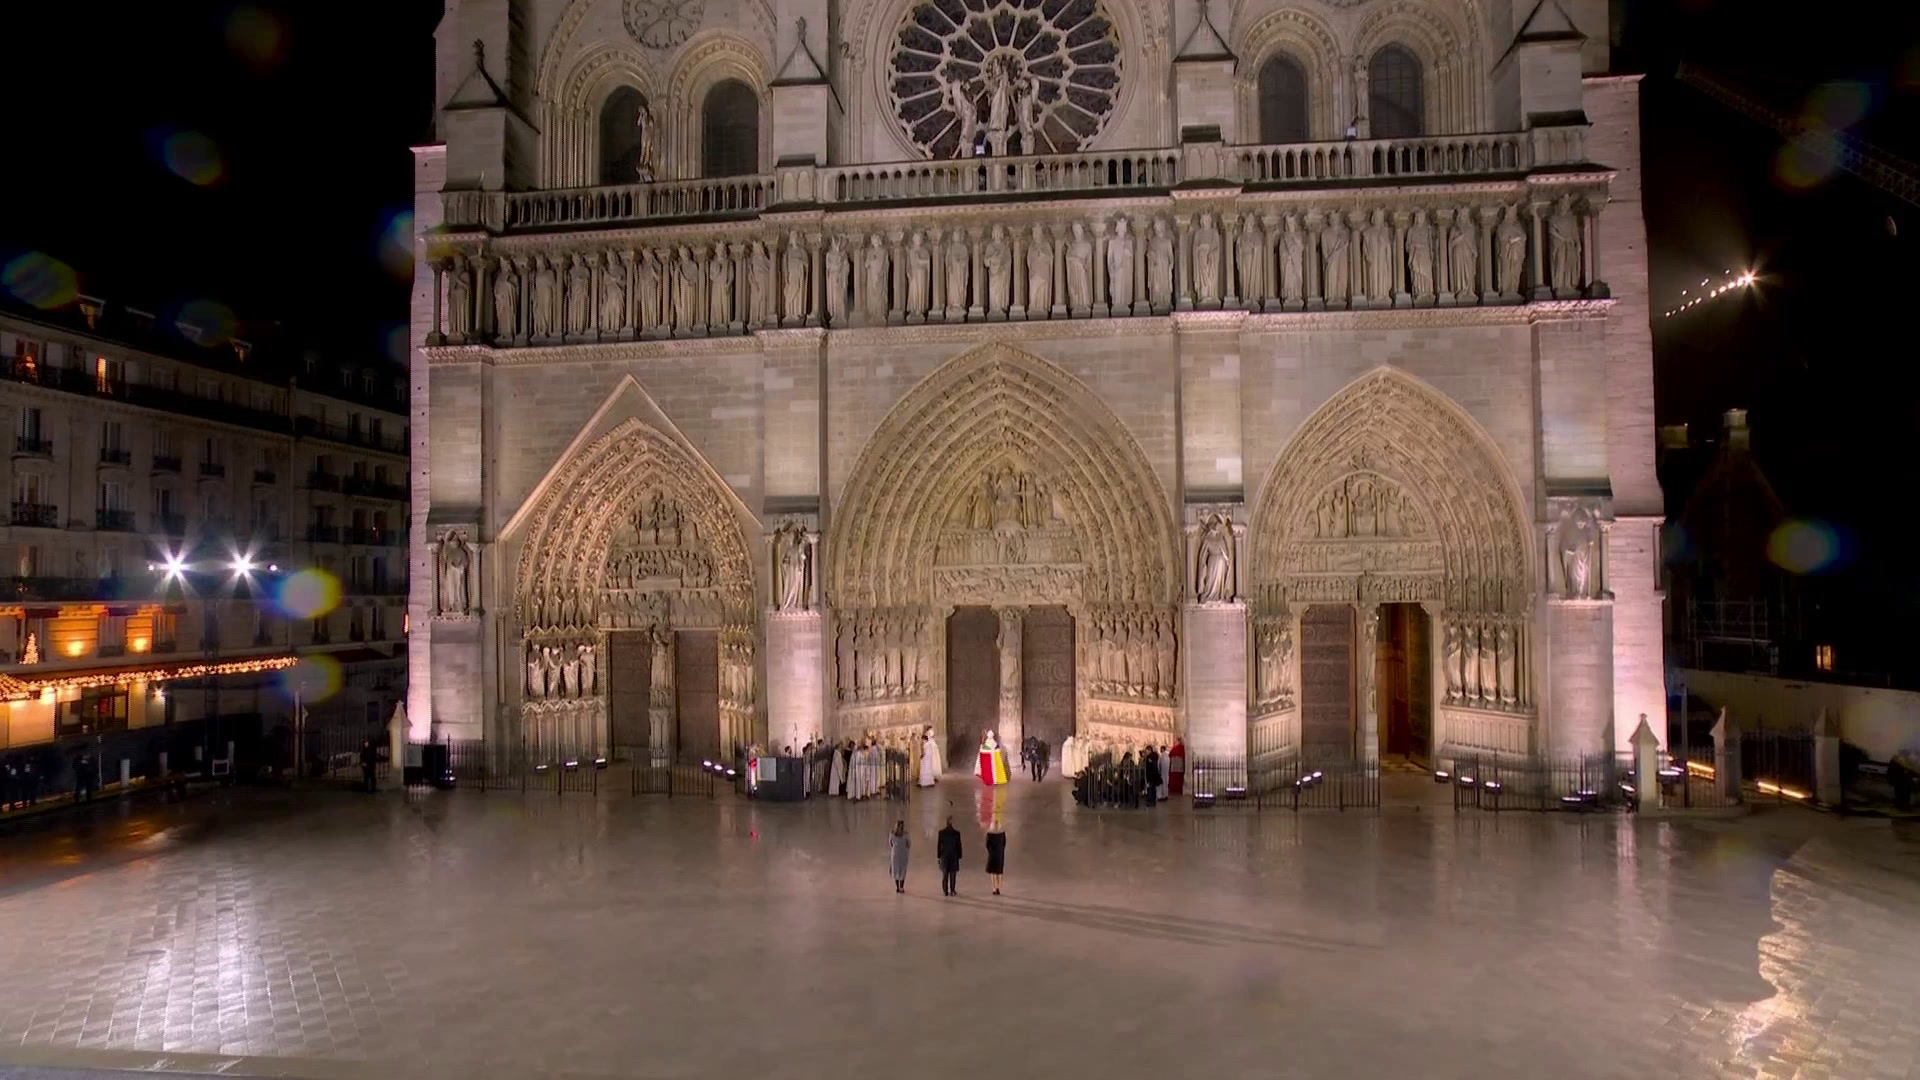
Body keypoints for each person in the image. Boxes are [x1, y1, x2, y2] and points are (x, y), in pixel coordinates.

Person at [937, 816, 963, 896]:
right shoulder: (956, 833)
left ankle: (945, 890)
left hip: (945, 856)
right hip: (953, 856)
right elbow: (959, 845)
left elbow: (939, 846)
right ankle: (952, 890)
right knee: (952, 874)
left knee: (945, 874)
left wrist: (938, 856)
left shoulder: (941, 833)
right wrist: (959, 855)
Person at [984, 819, 1007, 895]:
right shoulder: (1002, 834)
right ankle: (998, 887)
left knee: (993, 872)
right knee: (999, 871)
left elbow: (987, 844)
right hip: (1000, 854)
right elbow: (1004, 844)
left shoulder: (989, 834)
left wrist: (991, 850)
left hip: (992, 854)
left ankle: (994, 888)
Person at [889, 820, 911, 894]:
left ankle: (901, 887)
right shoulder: (892, 833)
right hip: (895, 855)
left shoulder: (906, 834)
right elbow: (890, 843)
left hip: (903, 855)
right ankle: (897, 887)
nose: (901, 827)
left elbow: (909, 844)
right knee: (896, 871)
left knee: (903, 871)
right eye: (900, 825)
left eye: (902, 825)